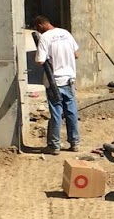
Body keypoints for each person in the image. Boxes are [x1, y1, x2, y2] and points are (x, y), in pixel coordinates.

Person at [32, 15, 79, 154]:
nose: (38, 32)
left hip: (54, 82)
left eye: (38, 29)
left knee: (56, 113)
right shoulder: (66, 33)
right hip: (69, 80)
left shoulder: (45, 38)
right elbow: (77, 54)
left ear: (40, 25)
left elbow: (40, 61)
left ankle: (54, 146)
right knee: (71, 112)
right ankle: (75, 143)